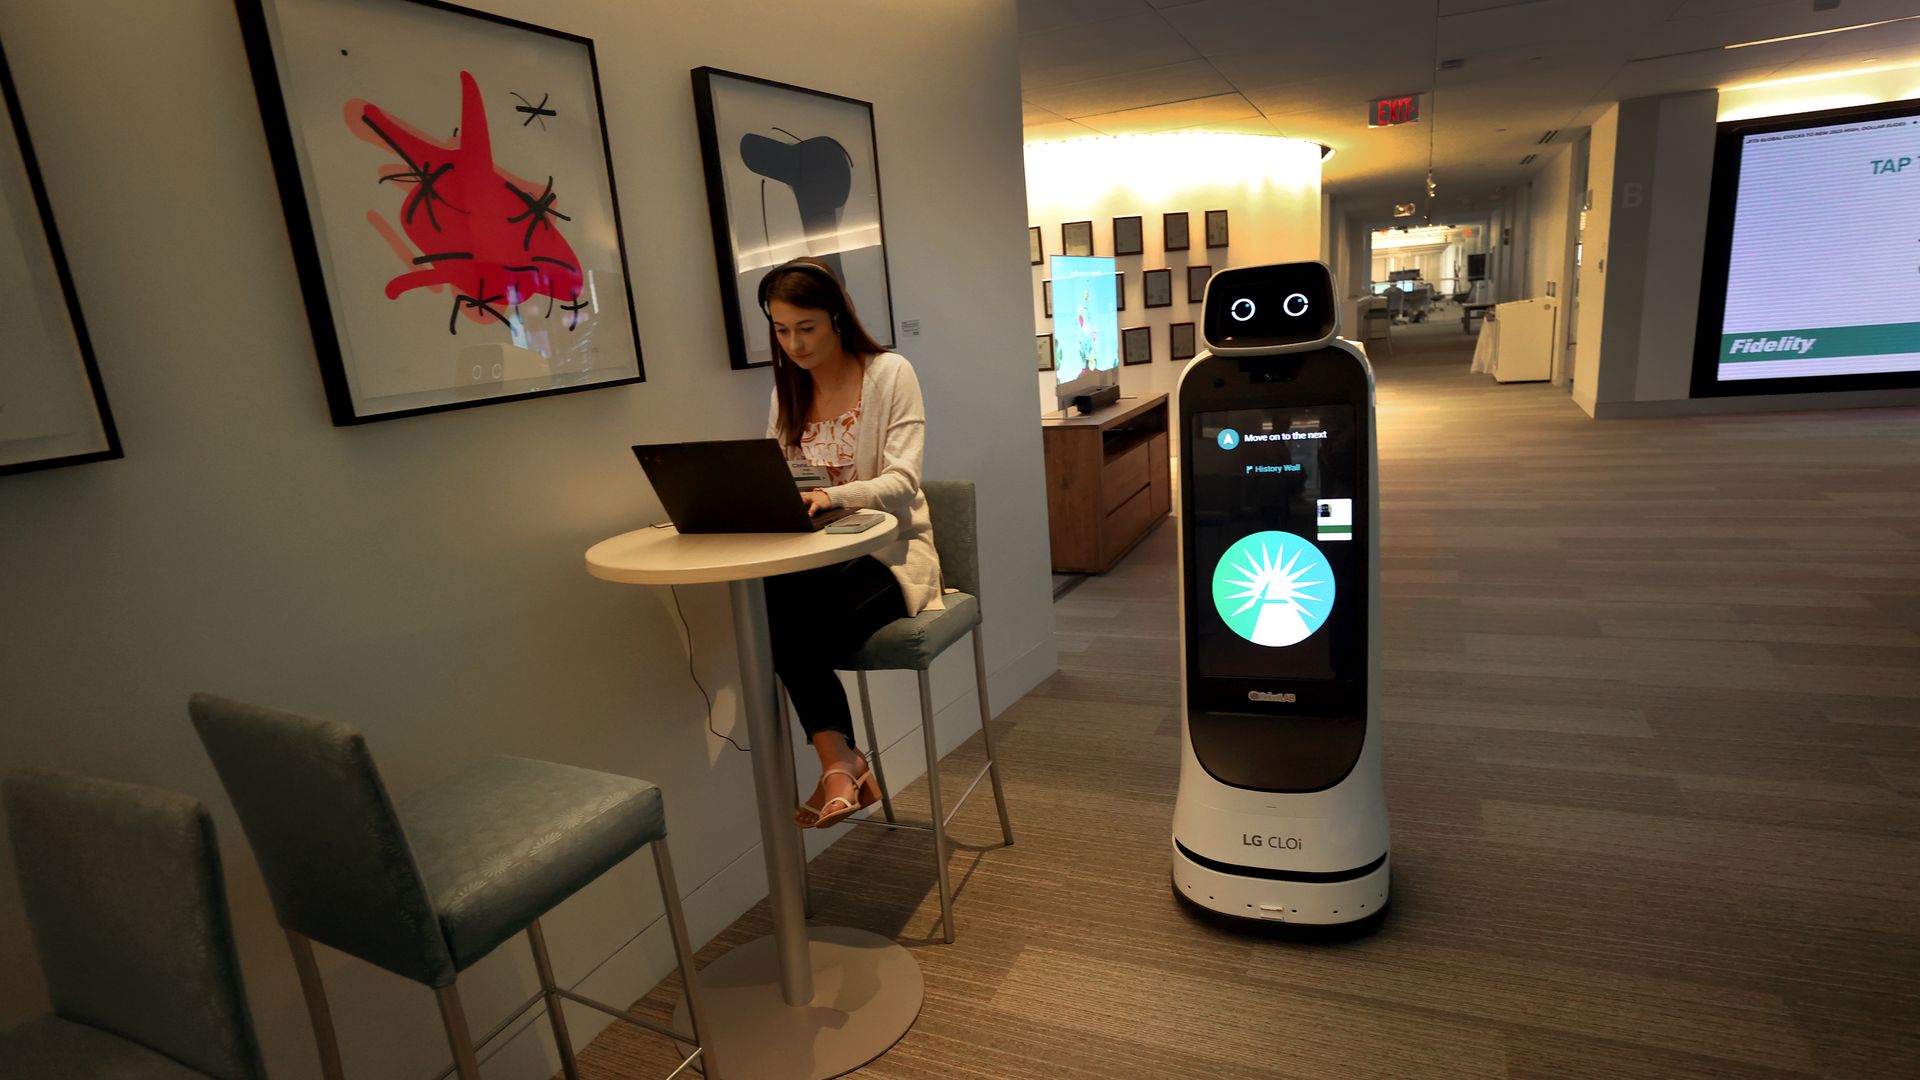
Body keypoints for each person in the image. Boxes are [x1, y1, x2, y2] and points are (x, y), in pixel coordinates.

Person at [757, 257, 943, 829]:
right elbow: (775, 475)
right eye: (782, 330)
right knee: (769, 609)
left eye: (806, 328)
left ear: (837, 317)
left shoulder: (889, 373)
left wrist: (833, 498)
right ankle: (842, 762)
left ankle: (842, 765)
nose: (794, 344)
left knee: (782, 625)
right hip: (814, 562)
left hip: (888, 557)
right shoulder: (787, 389)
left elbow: (903, 479)